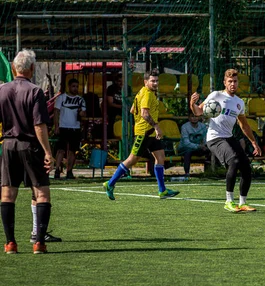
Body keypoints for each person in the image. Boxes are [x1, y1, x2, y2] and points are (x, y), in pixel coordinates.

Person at [0, 50, 55, 254]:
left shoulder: (2, 90)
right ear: (32, 69)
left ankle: (10, 243)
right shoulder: (35, 91)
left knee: (7, 194)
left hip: (8, 145)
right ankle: (39, 242)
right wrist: (48, 152)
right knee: (42, 193)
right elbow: (39, 125)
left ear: (13, 68)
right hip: (31, 146)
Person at [190, 69, 262, 212]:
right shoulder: (216, 95)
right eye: (230, 81)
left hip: (228, 137)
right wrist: (192, 104)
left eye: (235, 81)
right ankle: (229, 201)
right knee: (234, 161)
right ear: (225, 82)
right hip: (215, 138)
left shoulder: (239, 102)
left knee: (246, 167)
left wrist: (253, 142)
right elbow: (198, 112)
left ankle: (242, 203)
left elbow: (244, 125)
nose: (232, 84)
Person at [103, 69, 180, 200]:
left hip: (150, 133)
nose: (155, 83)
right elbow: (144, 114)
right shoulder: (148, 94)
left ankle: (162, 190)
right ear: (146, 81)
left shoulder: (143, 92)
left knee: (160, 157)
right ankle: (110, 184)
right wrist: (156, 126)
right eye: (152, 81)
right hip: (144, 132)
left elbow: (133, 110)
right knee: (132, 160)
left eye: (157, 81)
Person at [54, 78, 86, 179]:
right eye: (73, 86)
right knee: (60, 150)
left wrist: (81, 113)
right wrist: (56, 126)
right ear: (69, 87)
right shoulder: (62, 98)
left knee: (72, 151)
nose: (75, 88)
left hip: (75, 127)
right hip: (63, 127)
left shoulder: (80, 100)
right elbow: (56, 112)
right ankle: (57, 170)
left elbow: (84, 113)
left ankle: (69, 171)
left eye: (77, 86)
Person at [106, 74, 124, 138]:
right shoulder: (111, 88)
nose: (121, 83)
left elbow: (129, 100)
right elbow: (110, 103)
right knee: (112, 117)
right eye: (119, 81)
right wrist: (121, 106)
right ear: (116, 81)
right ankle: (111, 136)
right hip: (114, 109)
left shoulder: (127, 88)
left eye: (123, 81)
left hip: (124, 110)